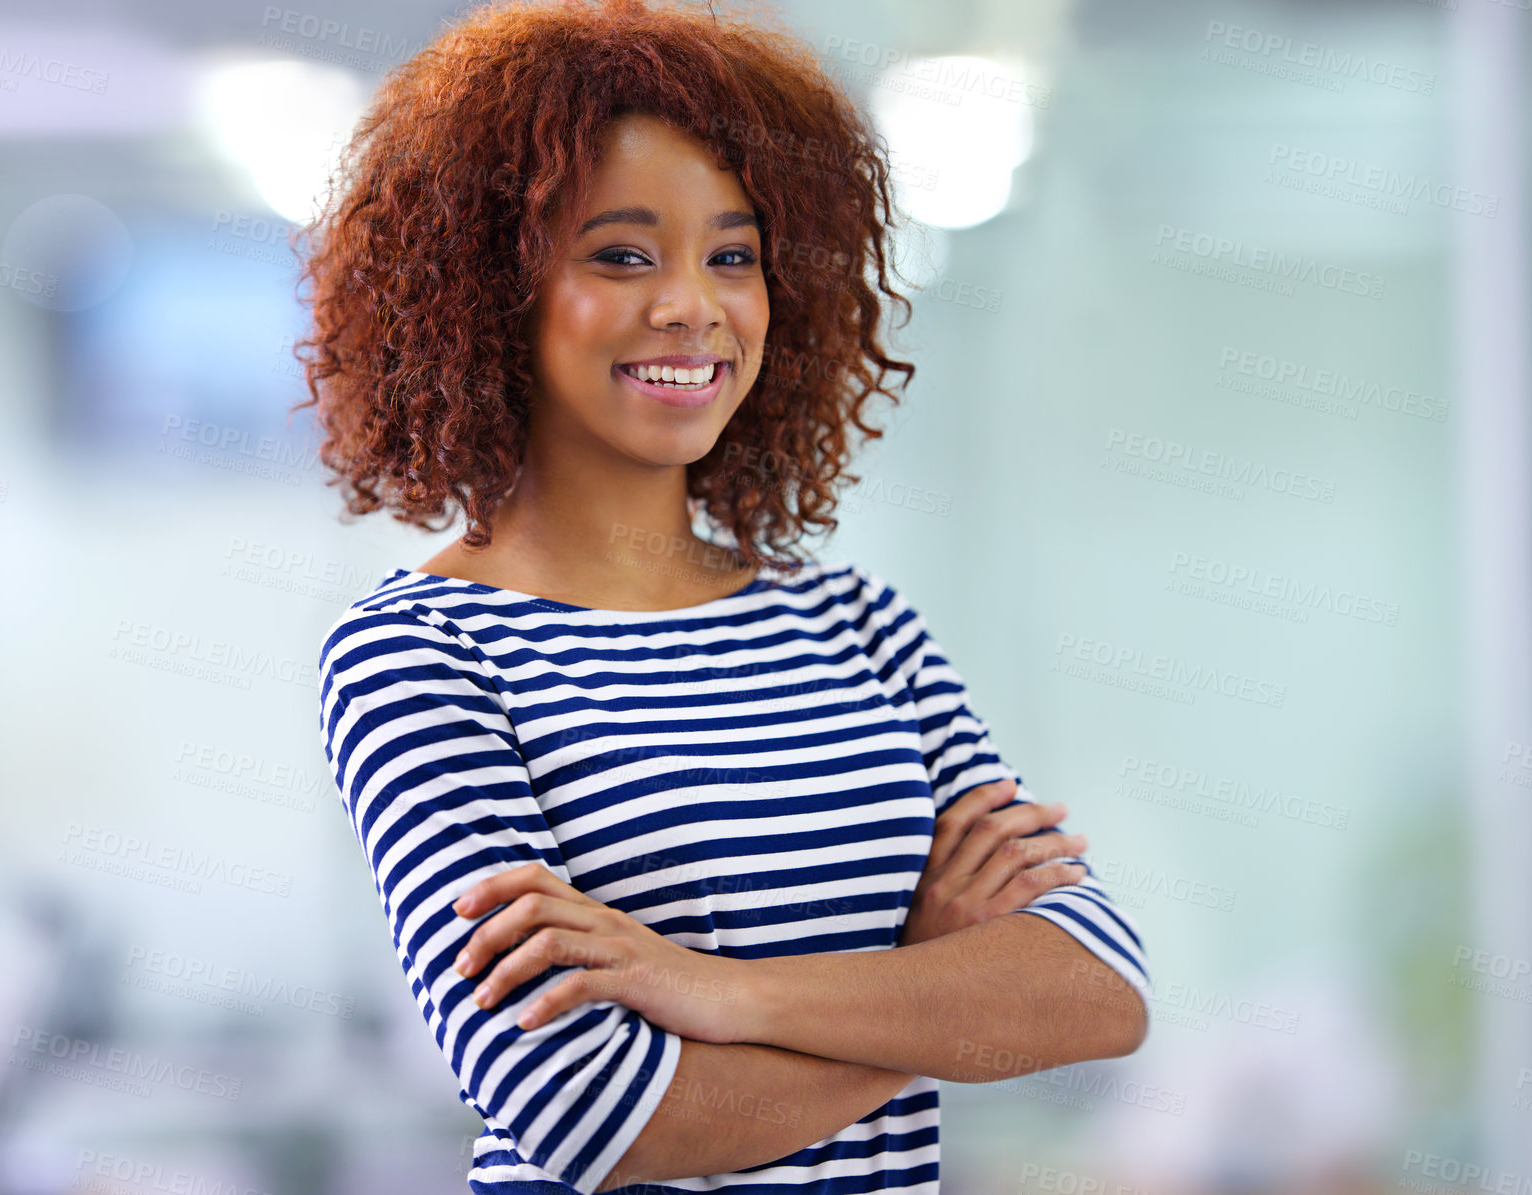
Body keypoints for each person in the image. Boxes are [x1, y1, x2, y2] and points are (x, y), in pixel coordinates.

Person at [299, 2, 1151, 1191]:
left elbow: (1094, 993)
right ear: (490, 289)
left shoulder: (855, 626)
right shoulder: (419, 654)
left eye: (734, 255)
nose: (692, 304)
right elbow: (603, 1120)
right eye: (623, 254)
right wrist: (926, 985)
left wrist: (720, 992)